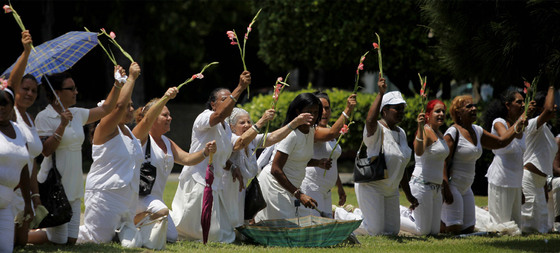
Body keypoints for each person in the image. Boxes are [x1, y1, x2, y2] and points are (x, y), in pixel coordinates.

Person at [31, 65, 127, 245]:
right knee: (58, 240)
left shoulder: (76, 113)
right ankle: (20, 236)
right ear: (57, 93)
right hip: (55, 186)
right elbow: (45, 150)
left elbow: (106, 108)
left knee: (71, 240)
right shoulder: (44, 117)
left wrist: (117, 85)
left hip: (74, 184)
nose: (76, 92)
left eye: (75, 88)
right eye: (71, 89)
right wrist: (61, 125)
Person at [170, 71, 250, 243]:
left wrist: (233, 166)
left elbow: (225, 153)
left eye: (231, 98)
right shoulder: (205, 117)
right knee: (206, 235)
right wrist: (240, 88)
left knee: (223, 233)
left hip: (215, 183)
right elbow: (220, 115)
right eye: (224, 99)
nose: (230, 101)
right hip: (198, 179)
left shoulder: (226, 128)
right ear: (213, 104)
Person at [254, 92, 354, 221]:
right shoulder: (291, 134)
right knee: (281, 230)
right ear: (298, 111)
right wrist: (299, 194)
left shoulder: (311, 131)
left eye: (315, 112)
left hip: (291, 187)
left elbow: (297, 160)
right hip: (275, 185)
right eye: (308, 112)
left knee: (294, 226)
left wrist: (318, 163)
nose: (313, 116)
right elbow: (275, 169)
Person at [133, 90, 217, 243]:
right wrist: (165, 97)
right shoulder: (141, 138)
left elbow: (188, 159)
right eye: (164, 115)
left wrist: (205, 152)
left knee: (171, 237)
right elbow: (145, 122)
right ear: (153, 117)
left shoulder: (166, 142)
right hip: (138, 198)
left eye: (169, 114)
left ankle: (138, 226)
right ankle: (128, 221)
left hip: (154, 201)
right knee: (163, 212)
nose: (170, 118)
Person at [77, 63, 142, 247]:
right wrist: (130, 78)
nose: (131, 109)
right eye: (128, 106)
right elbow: (119, 105)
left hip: (126, 200)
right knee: (94, 238)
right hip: (105, 195)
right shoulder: (104, 127)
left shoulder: (129, 134)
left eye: (132, 106)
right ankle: (41, 235)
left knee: (134, 243)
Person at [442, 95, 524, 234]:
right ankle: (432, 221)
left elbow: (500, 142)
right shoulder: (453, 132)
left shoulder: (478, 131)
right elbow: (443, 161)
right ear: (458, 112)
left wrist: (518, 124)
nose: (474, 108)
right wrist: (446, 188)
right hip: (453, 185)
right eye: (469, 107)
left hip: (467, 188)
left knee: (468, 228)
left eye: (474, 106)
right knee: (454, 229)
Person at [225, 107, 311, 227]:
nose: (247, 125)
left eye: (249, 122)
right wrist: (262, 120)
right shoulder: (230, 139)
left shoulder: (252, 140)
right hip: (227, 188)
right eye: (242, 122)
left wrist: (294, 123)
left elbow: (273, 137)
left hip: (240, 190)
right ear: (231, 126)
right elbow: (240, 143)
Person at [356, 77, 416, 236]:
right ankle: (345, 216)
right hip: (372, 186)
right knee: (374, 231)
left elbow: (402, 166)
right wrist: (380, 94)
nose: (401, 112)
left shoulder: (401, 133)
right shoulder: (377, 130)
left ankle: (365, 217)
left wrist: (409, 195)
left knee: (391, 231)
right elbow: (370, 121)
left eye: (402, 108)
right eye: (397, 108)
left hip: (391, 190)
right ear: (384, 110)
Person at [6, 30, 46, 247]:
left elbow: (32, 163)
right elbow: (11, 82)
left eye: (34, 91)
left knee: (21, 243)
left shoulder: (30, 119)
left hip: (25, 191)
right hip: (9, 187)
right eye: (25, 89)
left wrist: (34, 196)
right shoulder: (9, 111)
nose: (30, 93)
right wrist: (26, 52)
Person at [300, 91, 357, 217]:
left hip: (326, 190)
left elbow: (332, 162)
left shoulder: (331, 129)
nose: (324, 112)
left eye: (327, 108)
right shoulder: (312, 129)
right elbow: (331, 133)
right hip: (311, 187)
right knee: (316, 228)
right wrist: (347, 110)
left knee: (326, 226)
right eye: (320, 109)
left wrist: (340, 187)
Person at [400, 99, 449, 235]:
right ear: (428, 114)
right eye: (437, 111)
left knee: (434, 232)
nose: (441, 114)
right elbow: (418, 151)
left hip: (437, 188)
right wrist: (420, 127)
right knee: (423, 231)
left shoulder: (439, 134)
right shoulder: (425, 131)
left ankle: (408, 214)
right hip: (422, 185)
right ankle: (395, 215)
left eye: (443, 111)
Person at [482, 89, 525, 227]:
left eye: (524, 101)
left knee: (516, 223)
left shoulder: (522, 127)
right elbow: (505, 138)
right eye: (519, 102)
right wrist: (523, 117)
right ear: (508, 105)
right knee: (501, 223)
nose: (523, 104)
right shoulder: (499, 122)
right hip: (502, 177)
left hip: (516, 178)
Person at [0, 85, 32, 252]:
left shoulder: (19, 130)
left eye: (4, 103)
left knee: (6, 249)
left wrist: (28, 201)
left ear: (12, 105)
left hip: (6, 202)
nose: (1, 107)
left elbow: (24, 169)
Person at [521, 86, 556, 233]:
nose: (555, 108)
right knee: (528, 226)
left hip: (540, 182)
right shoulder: (533, 124)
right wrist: (552, 85)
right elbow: (547, 111)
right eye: (552, 105)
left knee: (543, 228)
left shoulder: (547, 129)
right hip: (529, 179)